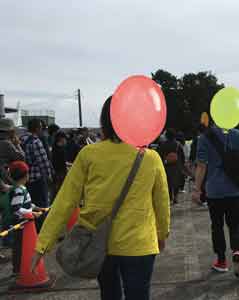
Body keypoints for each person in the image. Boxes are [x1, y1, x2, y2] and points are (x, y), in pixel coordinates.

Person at [33, 96, 170, 300]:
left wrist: (43, 244)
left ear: (104, 121)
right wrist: (162, 233)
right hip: (140, 243)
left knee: (109, 294)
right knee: (139, 294)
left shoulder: (89, 154)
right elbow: (162, 201)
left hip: (99, 243)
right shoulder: (151, 157)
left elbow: (65, 200)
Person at [192, 123, 239, 277]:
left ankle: (221, 261)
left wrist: (196, 190)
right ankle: (236, 251)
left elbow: (201, 166)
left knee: (217, 226)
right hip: (234, 190)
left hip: (214, 191)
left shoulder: (204, 138)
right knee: (235, 225)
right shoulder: (237, 134)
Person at [8, 161, 43, 277]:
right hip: (20, 224)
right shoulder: (18, 190)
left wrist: (36, 207)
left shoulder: (21, 188)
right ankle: (17, 270)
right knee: (19, 247)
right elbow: (17, 209)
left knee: (23, 246)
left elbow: (26, 204)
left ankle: (22, 267)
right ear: (25, 175)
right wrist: (31, 213)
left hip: (26, 223)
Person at [20, 119, 53, 228]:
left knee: (29, 205)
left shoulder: (21, 139)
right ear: (37, 128)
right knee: (42, 205)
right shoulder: (35, 141)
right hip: (37, 178)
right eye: (41, 128)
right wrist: (49, 176)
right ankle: (43, 228)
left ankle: (32, 227)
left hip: (24, 178)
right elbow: (43, 162)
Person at [158, 129, 183, 204]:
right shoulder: (178, 144)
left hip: (166, 166)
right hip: (176, 166)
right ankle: (176, 197)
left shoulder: (163, 145)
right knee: (176, 182)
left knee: (168, 182)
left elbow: (160, 155)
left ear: (166, 136)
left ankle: (170, 198)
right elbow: (182, 156)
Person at [0, 118, 25, 191]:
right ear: (10, 131)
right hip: (5, 180)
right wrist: (17, 144)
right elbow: (22, 158)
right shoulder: (7, 144)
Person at [51, 131, 68, 196]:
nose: (66, 140)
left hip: (56, 172)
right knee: (60, 191)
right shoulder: (60, 150)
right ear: (61, 139)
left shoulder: (54, 147)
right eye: (65, 138)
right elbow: (62, 163)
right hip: (60, 173)